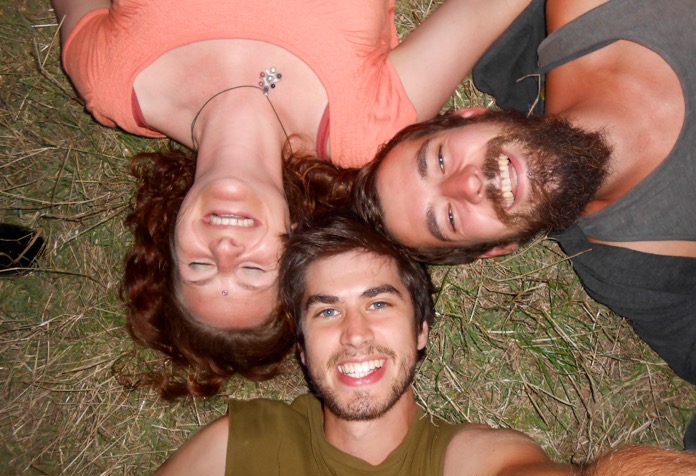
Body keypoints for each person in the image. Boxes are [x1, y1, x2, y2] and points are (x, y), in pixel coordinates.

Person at [80, 214, 696, 476]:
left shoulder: (465, 466)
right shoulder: (238, 446)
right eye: (327, 311)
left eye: (379, 304)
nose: (355, 335)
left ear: (422, 330)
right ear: (302, 347)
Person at [51, 0, 533, 396]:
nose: (225, 250)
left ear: (170, 238)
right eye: (252, 271)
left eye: (199, 266)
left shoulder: (112, 83)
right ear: (295, 243)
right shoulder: (364, 128)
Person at [348, 0, 696, 449]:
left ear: (471, 116)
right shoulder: (639, 270)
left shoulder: (588, 12)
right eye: (450, 217)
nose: (467, 184)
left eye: (440, 159)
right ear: (499, 247)